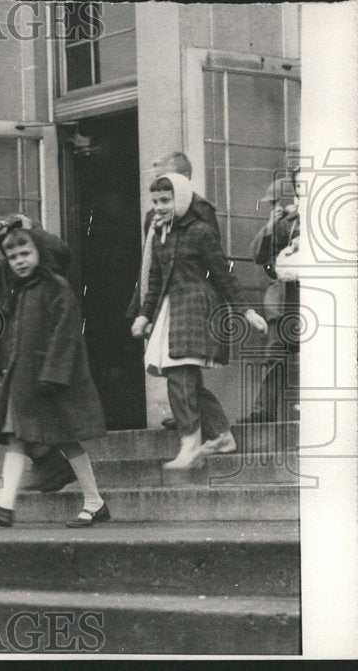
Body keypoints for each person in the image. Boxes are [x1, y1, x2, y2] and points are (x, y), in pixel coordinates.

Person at [0, 226, 109, 528]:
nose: (19, 260)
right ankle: (5, 504)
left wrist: (54, 375)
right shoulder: (20, 287)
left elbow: (65, 334)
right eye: (12, 256)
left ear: (40, 252)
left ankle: (95, 502)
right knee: (18, 437)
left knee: (66, 441)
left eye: (25, 253)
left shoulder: (56, 285)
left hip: (51, 380)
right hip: (25, 378)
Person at [131, 174, 268, 470]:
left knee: (180, 380)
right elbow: (155, 279)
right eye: (155, 202)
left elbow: (223, 275)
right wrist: (144, 313)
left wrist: (247, 311)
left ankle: (190, 445)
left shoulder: (201, 231)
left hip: (196, 310)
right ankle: (221, 436)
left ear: (180, 199)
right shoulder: (159, 233)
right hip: (172, 311)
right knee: (184, 379)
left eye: (165, 200)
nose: (160, 207)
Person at [0, 214, 78, 493]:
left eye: (25, 246)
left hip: (28, 348)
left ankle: (51, 466)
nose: (18, 257)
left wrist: (35, 228)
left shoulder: (48, 269)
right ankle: (50, 466)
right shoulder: (9, 269)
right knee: (18, 414)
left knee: (22, 415)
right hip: (6, 345)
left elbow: (62, 253)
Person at [126, 152, 221, 430]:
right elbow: (152, 260)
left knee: (181, 365)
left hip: (188, 299)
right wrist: (145, 305)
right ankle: (195, 420)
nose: (160, 185)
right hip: (161, 295)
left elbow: (212, 259)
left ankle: (192, 421)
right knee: (175, 365)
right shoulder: (152, 215)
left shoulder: (201, 211)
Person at [246, 176, 301, 423]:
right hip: (281, 296)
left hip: (306, 294)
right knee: (275, 353)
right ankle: (263, 411)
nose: (274, 206)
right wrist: (270, 225)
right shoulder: (279, 223)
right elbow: (258, 254)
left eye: (277, 201)